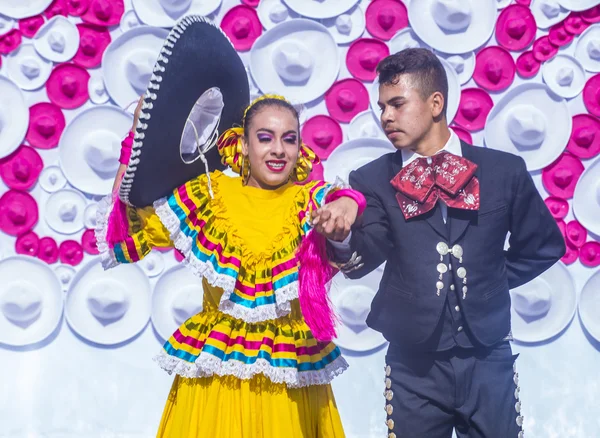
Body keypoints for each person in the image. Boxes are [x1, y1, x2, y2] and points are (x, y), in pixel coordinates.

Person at [315, 48, 566, 438]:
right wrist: (342, 239)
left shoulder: (504, 170)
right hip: (412, 363)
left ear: (436, 103)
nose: (386, 117)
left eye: (397, 104)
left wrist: (491, 279)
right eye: (381, 107)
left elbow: (544, 246)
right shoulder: (371, 178)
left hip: (489, 355)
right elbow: (369, 253)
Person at [97, 93, 367, 438]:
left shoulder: (310, 201)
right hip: (215, 377)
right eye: (265, 138)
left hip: (290, 375)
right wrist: (136, 135)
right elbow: (127, 228)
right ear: (242, 143)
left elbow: (346, 207)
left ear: (301, 148)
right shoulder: (206, 195)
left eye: (289, 139)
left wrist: (347, 204)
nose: (278, 150)